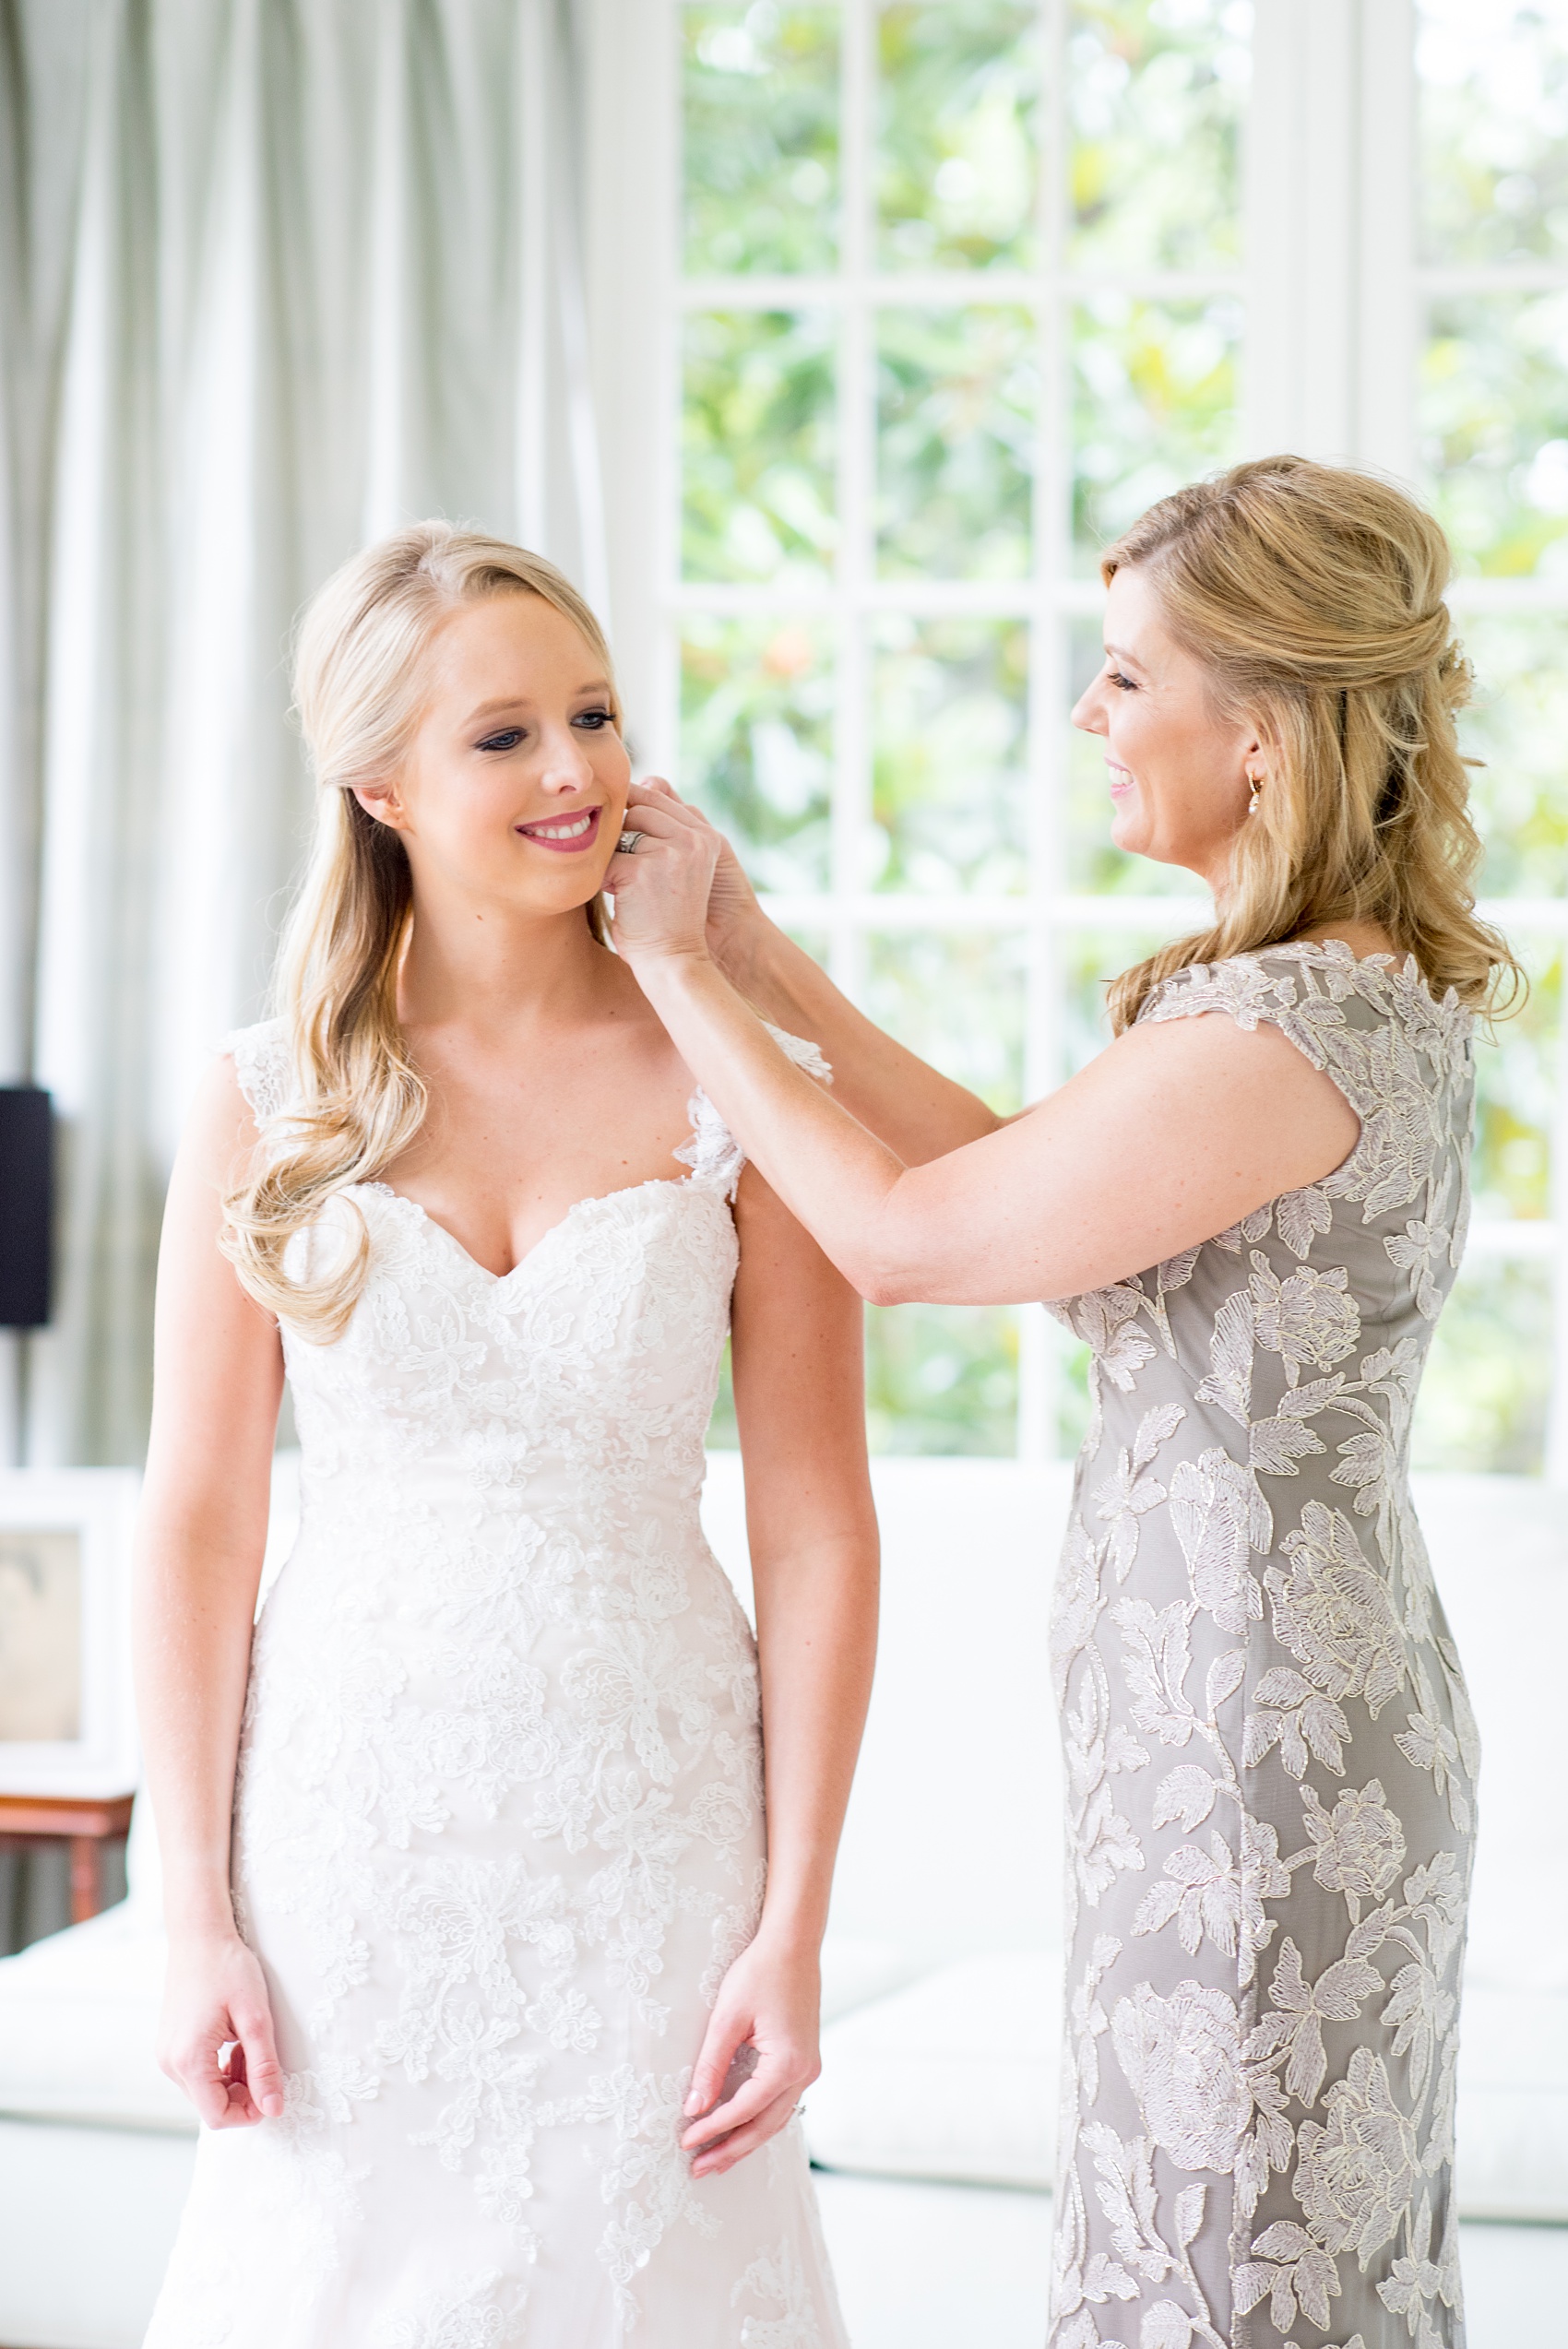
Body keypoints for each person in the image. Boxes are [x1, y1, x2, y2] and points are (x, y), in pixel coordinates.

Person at [608, 457, 1511, 2349]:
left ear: (1256, 731)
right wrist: (765, 961)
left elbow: (914, 1238)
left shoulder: (1276, 1028)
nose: (1084, 719)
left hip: (1256, 1739)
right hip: (1258, 1707)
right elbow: (1027, 1178)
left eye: (1120, 676)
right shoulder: (1312, 996)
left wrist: (680, 972)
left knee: (1222, 2259)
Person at [134, 526, 876, 2347]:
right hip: (343, 1833)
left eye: (597, 714)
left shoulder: (735, 1089)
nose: (575, 772)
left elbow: (817, 1528)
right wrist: (191, 1911)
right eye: (503, 735)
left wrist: (792, 1923)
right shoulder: (263, 1095)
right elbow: (200, 1521)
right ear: (377, 779)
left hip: (654, 1831)